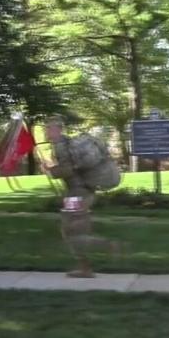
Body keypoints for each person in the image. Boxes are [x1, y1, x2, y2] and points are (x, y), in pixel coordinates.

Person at [42, 116, 121, 278]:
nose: (46, 131)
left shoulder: (60, 146)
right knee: (74, 229)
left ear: (58, 129)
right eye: (46, 128)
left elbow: (68, 170)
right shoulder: (66, 143)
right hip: (82, 192)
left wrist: (50, 170)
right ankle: (86, 265)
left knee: (71, 231)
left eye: (49, 128)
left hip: (77, 195)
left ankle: (104, 249)